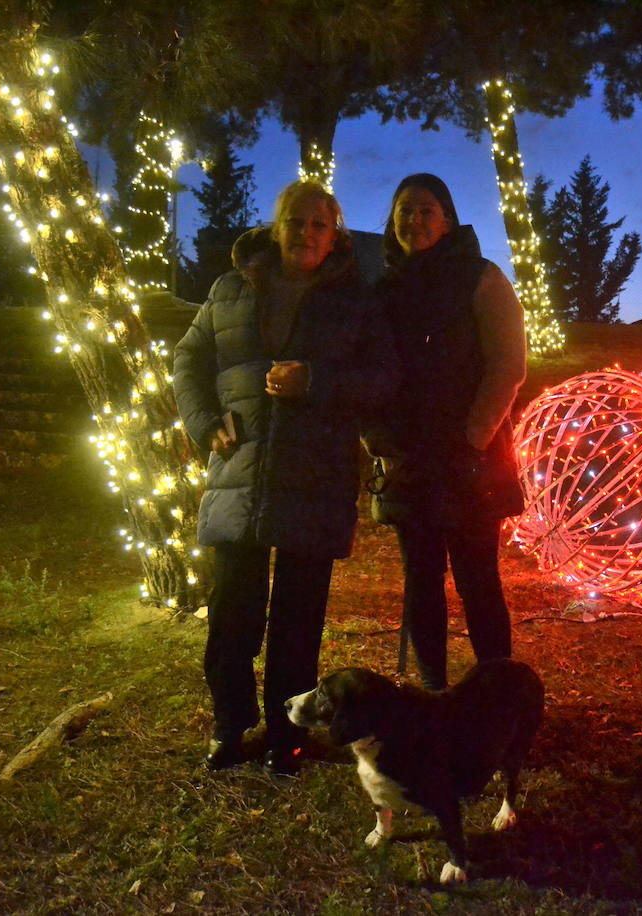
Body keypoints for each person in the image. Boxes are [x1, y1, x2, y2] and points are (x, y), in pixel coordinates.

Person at [173, 180, 398, 773]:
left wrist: (315, 382)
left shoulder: (356, 301)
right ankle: (229, 727)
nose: (306, 233)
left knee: (298, 622)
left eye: (320, 224)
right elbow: (189, 357)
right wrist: (203, 421)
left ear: (334, 236)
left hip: (315, 475)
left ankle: (287, 735)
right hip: (240, 472)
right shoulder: (229, 289)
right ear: (277, 228)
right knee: (231, 615)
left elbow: (383, 377)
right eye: (296, 221)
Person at [363, 173, 528, 691]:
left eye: (426, 210)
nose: (414, 220)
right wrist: (379, 440)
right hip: (408, 459)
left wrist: (474, 437)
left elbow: (508, 363)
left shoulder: (480, 278)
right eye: (405, 210)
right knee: (422, 580)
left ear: (448, 220)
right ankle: (433, 691)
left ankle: (497, 693)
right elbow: (369, 369)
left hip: (468, 460)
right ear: (392, 221)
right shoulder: (382, 290)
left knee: (478, 578)